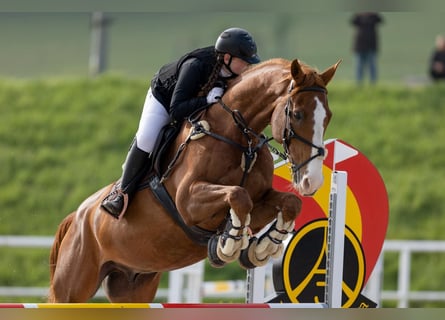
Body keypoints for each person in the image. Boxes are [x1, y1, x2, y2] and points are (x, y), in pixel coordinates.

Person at [101, 27, 260, 219]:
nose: (247, 67)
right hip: (165, 99)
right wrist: (206, 101)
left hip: (195, 103)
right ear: (227, 58)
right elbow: (176, 110)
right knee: (147, 138)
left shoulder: (233, 73)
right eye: (244, 62)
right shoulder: (195, 65)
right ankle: (121, 192)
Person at [350, 12, 383, 84]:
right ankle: (359, 83)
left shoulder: (374, 16)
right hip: (360, 45)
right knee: (359, 66)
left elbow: (380, 20)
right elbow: (353, 21)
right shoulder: (358, 16)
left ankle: (373, 84)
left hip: (371, 45)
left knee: (372, 66)